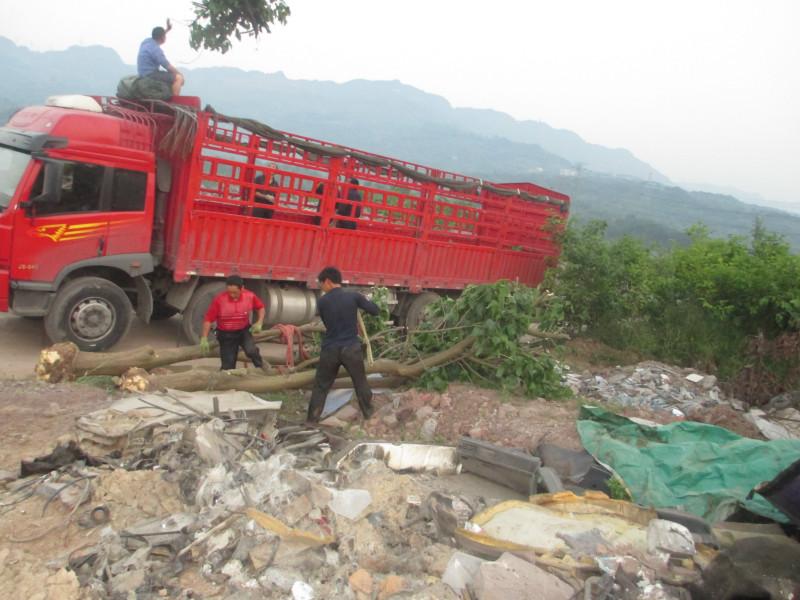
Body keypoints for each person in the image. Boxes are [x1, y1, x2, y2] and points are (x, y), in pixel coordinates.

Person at [307, 267, 380, 423]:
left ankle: (311, 421)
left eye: (322, 285)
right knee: (360, 382)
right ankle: (369, 415)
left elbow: (327, 322)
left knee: (321, 386)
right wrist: (360, 303)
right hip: (351, 348)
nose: (322, 288)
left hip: (330, 349)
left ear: (327, 281)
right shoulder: (354, 296)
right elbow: (375, 310)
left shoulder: (322, 302)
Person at [200, 275, 267, 370]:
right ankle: (226, 377)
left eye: (235, 293)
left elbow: (261, 308)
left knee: (251, 351)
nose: (232, 295)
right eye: (229, 292)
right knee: (228, 366)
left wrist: (259, 322)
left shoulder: (250, 296)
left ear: (242, 288)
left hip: (244, 331)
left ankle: (262, 368)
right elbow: (208, 320)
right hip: (226, 335)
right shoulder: (219, 300)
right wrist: (204, 338)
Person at [137, 22, 184, 97]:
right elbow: (167, 66)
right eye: (164, 36)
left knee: (169, 76)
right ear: (162, 38)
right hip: (150, 75)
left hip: (142, 73)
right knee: (178, 78)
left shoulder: (146, 42)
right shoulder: (156, 50)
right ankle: (175, 101)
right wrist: (180, 75)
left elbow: (159, 35)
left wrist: (167, 30)